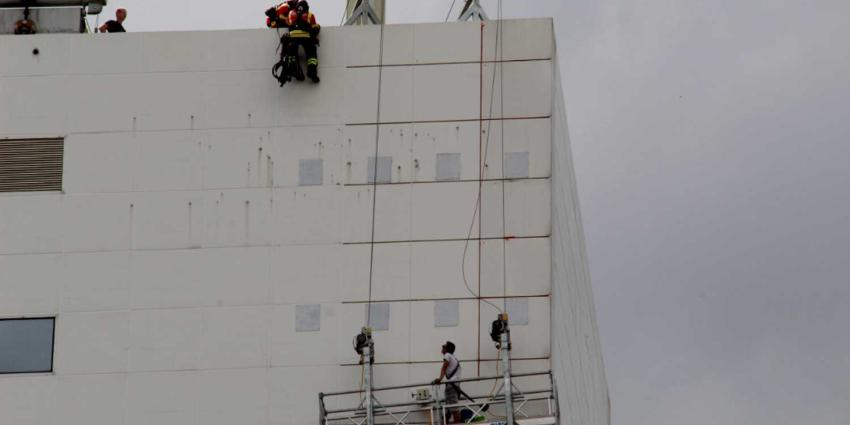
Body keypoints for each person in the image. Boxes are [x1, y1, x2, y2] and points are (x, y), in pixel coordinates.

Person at [286, 0, 321, 83]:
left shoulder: (291, 13)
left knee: (292, 53)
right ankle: (312, 72)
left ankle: (292, 69)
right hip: (306, 36)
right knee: (311, 54)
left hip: (293, 36)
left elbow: (288, 23)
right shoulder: (310, 14)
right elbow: (314, 27)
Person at [433, 341, 462, 424]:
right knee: (449, 408)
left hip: (452, 385)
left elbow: (444, 367)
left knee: (453, 408)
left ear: (447, 349)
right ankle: (445, 422)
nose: (442, 347)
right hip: (454, 384)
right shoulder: (454, 357)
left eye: (443, 346)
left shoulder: (447, 355)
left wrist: (439, 379)